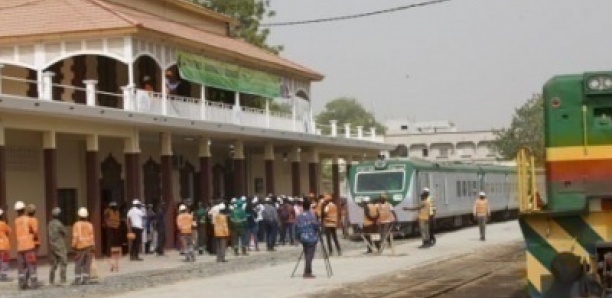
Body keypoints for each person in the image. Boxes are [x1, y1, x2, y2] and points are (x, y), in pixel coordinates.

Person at [14, 201, 40, 289]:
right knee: (31, 265)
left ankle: (22, 285)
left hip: (20, 247)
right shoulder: (29, 219)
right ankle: (34, 284)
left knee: (21, 267)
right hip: (29, 246)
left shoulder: (16, 221)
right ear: (24, 209)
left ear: (16, 211)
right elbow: (35, 232)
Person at [295, 198, 320, 279]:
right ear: (309, 206)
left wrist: (297, 238)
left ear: (303, 206)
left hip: (303, 237)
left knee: (307, 254)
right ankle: (307, 272)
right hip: (311, 237)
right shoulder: (312, 216)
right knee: (310, 255)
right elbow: (316, 226)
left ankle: (309, 271)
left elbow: (297, 228)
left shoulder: (299, 216)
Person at [72, 207, 95, 285]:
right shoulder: (90, 225)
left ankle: (77, 280)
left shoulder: (76, 225)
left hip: (80, 247)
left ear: (79, 216)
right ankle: (86, 279)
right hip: (89, 246)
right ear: (86, 216)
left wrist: (73, 246)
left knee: (78, 263)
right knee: (87, 264)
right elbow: (92, 236)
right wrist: (93, 246)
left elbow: (75, 236)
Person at [48, 207, 68, 286]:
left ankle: (51, 280)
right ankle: (62, 280)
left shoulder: (50, 223)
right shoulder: (59, 224)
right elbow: (65, 233)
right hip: (59, 245)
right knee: (63, 262)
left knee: (53, 263)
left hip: (52, 245)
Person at [0, 208, 11, 282]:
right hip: (3, 245)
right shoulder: (3, 224)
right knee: (4, 261)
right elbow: (9, 231)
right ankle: (3, 276)